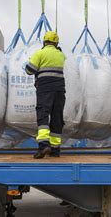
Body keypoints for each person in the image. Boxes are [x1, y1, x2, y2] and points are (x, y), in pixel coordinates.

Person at [25, 31, 66, 159]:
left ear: (44, 41)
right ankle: (55, 149)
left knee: (43, 115)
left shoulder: (40, 53)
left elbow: (29, 70)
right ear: (56, 43)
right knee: (56, 117)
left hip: (45, 89)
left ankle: (43, 145)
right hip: (60, 90)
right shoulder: (61, 55)